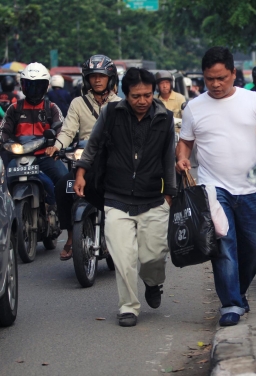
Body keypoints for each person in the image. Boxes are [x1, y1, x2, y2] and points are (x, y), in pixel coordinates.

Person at [176, 46, 256, 327]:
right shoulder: (194, 108)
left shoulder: (253, 100)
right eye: (210, 79)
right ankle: (230, 302)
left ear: (234, 73)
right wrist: (182, 158)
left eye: (221, 77)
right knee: (224, 247)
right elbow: (185, 142)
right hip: (213, 188)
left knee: (253, 249)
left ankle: (239, 292)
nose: (216, 84)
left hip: (253, 189)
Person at [73, 67, 176, 327]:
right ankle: (128, 307)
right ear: (125, 94)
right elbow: (93, 144)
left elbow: (168, 158)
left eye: (147, 95)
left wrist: (169, 194)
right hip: (116, 197)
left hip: (153, 198)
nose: (142, 101)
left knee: (153, 256)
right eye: (135, 96)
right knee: (124, 257)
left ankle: (153, 283)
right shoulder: (111, 113)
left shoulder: (165, 117)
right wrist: (81, 173)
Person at [45, 54, 121, 261]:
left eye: (102, 76)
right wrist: (57, 146)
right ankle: (70, 237)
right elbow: (68, 131)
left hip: (110, 165)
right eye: (93, 76)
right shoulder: (78, 103)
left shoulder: (120, 105)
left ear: (110, 78)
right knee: (62, 186)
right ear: (87, 79)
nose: (97, 80)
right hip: (82, 162)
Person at [0, 62, 67, 207]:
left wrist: (55, 146)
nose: (34, 90)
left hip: (46, 156)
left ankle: (62, 212)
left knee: (65, 179)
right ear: (23, 86)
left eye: (38, 86)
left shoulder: (52, 108)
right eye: (29, 85)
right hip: (19, 156)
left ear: (46, 86)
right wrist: (6, 143)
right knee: (5, 181)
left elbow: (62, 129)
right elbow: (4, 130)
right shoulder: (14, 108)